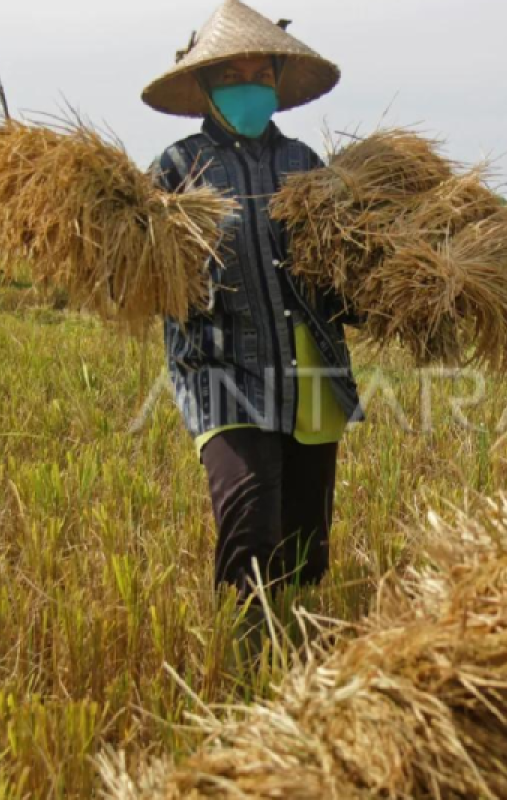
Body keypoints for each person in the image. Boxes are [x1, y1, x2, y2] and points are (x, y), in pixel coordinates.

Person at [143, 0, 361, 603]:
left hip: (311, 370)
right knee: (250, 531)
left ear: (276, 83)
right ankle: (244, 668)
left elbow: (339, 266)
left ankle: (304, 661)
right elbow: (140, 274)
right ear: (207, 85)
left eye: (260, 76)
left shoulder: (305, 166)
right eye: (232, 76)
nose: (249, 88)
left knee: (305, 544)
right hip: (221, 368)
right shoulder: (177, 169)